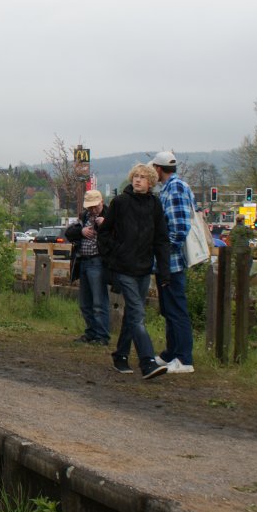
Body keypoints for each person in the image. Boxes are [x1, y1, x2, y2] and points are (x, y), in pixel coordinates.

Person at [97, 163, 171, 380]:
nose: (138, 180)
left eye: (142, 177)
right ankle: (147, 362)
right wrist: (115, 254)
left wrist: (164, 271)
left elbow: (161, 239)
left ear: (151, 182)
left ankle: (120, 355)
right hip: (124, 268)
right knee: (138, 314)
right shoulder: (120, 202)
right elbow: (104, 233)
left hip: (144, 268)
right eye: (135, 176)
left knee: (132, 314)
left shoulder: (155, 204)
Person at [150, 151, 197, 375]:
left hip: (172, 262)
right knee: (169, 309)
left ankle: (184, 358)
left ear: (158, 169)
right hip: (167, 261)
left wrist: (164, 254)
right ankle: (171, 353)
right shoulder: (170, 188)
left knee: (177, 310)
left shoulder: (175, 188)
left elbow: (179, 228)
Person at [65, 190, 110, 346]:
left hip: (98, 261)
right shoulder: (84, 217)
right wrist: (81, 231)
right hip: (83, 261)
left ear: (101, 202)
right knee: (85, 303)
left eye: (95, 206)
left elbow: (118, 235)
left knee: (99, 302)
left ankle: (102, 335)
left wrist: (105, 225)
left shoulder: (110, 215)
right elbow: (68, 233)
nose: (93, 210)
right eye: (90, 207)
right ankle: (91, 332)